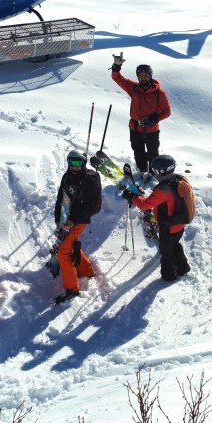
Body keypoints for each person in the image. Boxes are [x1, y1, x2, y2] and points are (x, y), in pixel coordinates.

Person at [122, 154, 191, 282]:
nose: (154, 173)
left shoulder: (163, 189)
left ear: (161, 171)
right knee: (175, 245)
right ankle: (183, 267)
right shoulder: (180, 180)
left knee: (166, 254)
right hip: (179, 224)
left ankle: (168, 276)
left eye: (154, 171)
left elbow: (144, 205)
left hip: (168, 228)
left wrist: (131, 197)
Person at [52, 149, 101, 304]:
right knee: (70, 246)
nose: (74, 166)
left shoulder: (89, 179)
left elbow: (89, 205)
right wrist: (57, 219)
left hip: (80, 220)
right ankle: (86, 270)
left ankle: (72, 289)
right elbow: (60, 198)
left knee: (63, 253)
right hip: (66, 219)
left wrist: (73, 221)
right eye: (72, 162)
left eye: (78, 163)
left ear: (83, 163)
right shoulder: (67, 177)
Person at [110, 54, 171, 173]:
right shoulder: (133, 88)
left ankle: (154, 174)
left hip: (152, 129)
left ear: (150, 76)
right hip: (135, 127)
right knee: (138, 152)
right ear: (138, 76)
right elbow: (117, 78)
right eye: (141, 75)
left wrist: (154, 119)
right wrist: (116, 66)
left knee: (153, 153)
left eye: (146, 75)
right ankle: (142, 171)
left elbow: (167, 112)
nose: (143, 77)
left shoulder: (159, 93)